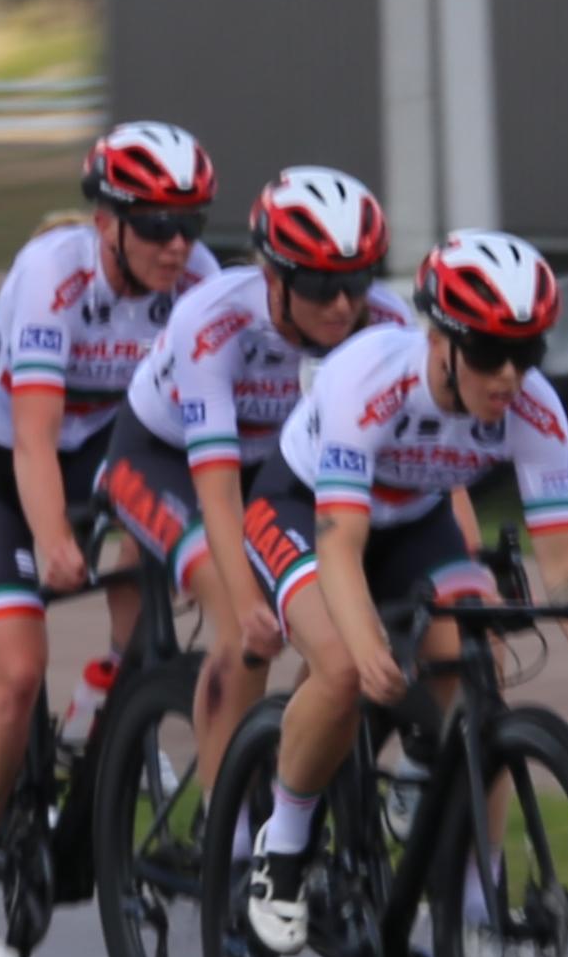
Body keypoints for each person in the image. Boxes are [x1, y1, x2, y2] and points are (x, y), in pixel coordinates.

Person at [237, 229, 568, 957]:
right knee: (341, 666)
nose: (509, 375)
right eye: (489, 352)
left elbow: (562, 556)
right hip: (303, 507)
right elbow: (340, 545)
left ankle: (475, 906)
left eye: (527, 352)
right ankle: (284, 845)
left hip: (413, 520)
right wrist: (365, 644)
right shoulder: (370, 380)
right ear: (440, 341)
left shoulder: (536, 410)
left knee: (479, 665)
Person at [0, 119, 215, 957]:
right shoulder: (54, 274)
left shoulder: (199, 281)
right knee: (13, 671)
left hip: (97, 445)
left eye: (191, 222)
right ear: (107, 222)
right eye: (156, 224)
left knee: (154, 589)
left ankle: (107, 718)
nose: (177, 244)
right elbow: (33, 439)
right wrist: (51, 539)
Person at [97, 162, 402, 798]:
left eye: (356, 282)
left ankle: (297, 766)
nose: (342, 305)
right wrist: (245, 602)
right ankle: (224, 825)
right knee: (244, 626)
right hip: (161, 459)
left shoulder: (385, 324)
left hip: (271, 468)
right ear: (273, 276)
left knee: (350, 621)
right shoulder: (215, 322)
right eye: (319, 284)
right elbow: (217, 489)